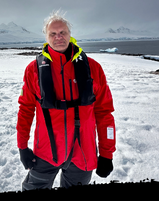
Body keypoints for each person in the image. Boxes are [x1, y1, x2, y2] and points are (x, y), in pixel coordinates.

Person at [16, 10, 116, 190]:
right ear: (46, 37)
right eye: (53, 34)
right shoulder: (33, 70)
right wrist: (22, 146)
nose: (58, 37)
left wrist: (107, 153)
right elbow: (25, 110)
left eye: (62, 32)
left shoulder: (93, 68)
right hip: (45, 152)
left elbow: (104, 113)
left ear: (70, 34)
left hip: (83, 154)